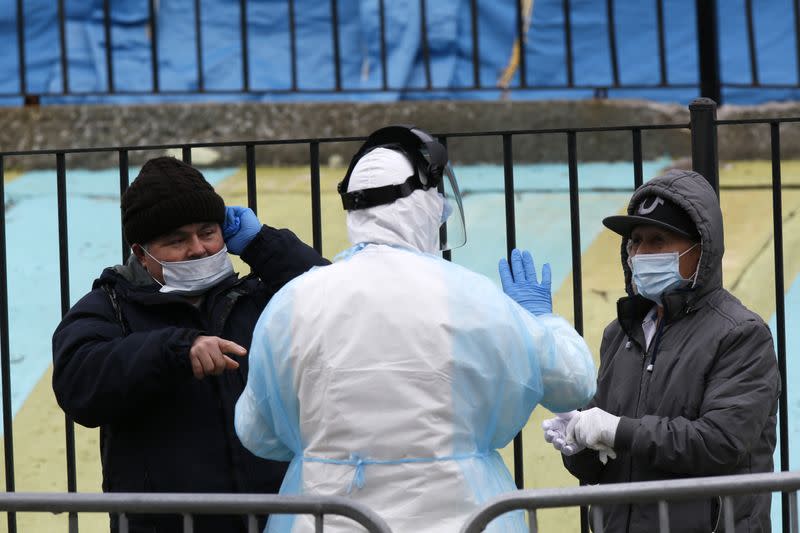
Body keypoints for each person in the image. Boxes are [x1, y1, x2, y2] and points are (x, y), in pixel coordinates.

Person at [233, 125, 597, 532]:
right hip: (464, 516)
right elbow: (573, 382)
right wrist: (541, 318)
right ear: (424, 206)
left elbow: (257, 432)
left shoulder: (294, 303)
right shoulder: (474, 298)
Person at [52, 156, 329, 533]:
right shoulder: (110, 306)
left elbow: (333, 302)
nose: (198, 249)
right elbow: (79, 382)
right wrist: (176, 351)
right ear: (140, 254)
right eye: (176, 240)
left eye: (207, 232)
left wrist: (263, 244)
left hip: (275, 518)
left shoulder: (254, 294)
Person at [542, 169, 780, 532]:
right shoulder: (620, 333)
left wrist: (616, 429)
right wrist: (578, 445)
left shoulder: (741, 335)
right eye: (636, 241)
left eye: (658, 241)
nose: (640, 253)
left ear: (700, 249)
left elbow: (718, 443)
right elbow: (603, 465)